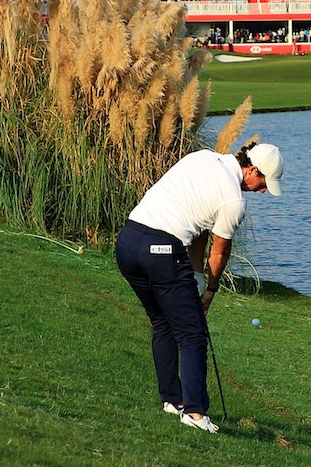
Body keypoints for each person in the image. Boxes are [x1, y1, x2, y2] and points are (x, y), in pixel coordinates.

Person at [115, 142, 285, 434]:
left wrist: (196, 276)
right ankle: (194, 413)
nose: (263, 191)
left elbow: (200, 232)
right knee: (193, 334)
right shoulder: (234, 200)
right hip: (162, 251)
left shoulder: (202, 158)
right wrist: (210, 291)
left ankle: (173, 400)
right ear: (252, 170)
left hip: (128, 243)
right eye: (263, 183)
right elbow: (219, 253)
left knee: (163, 323)